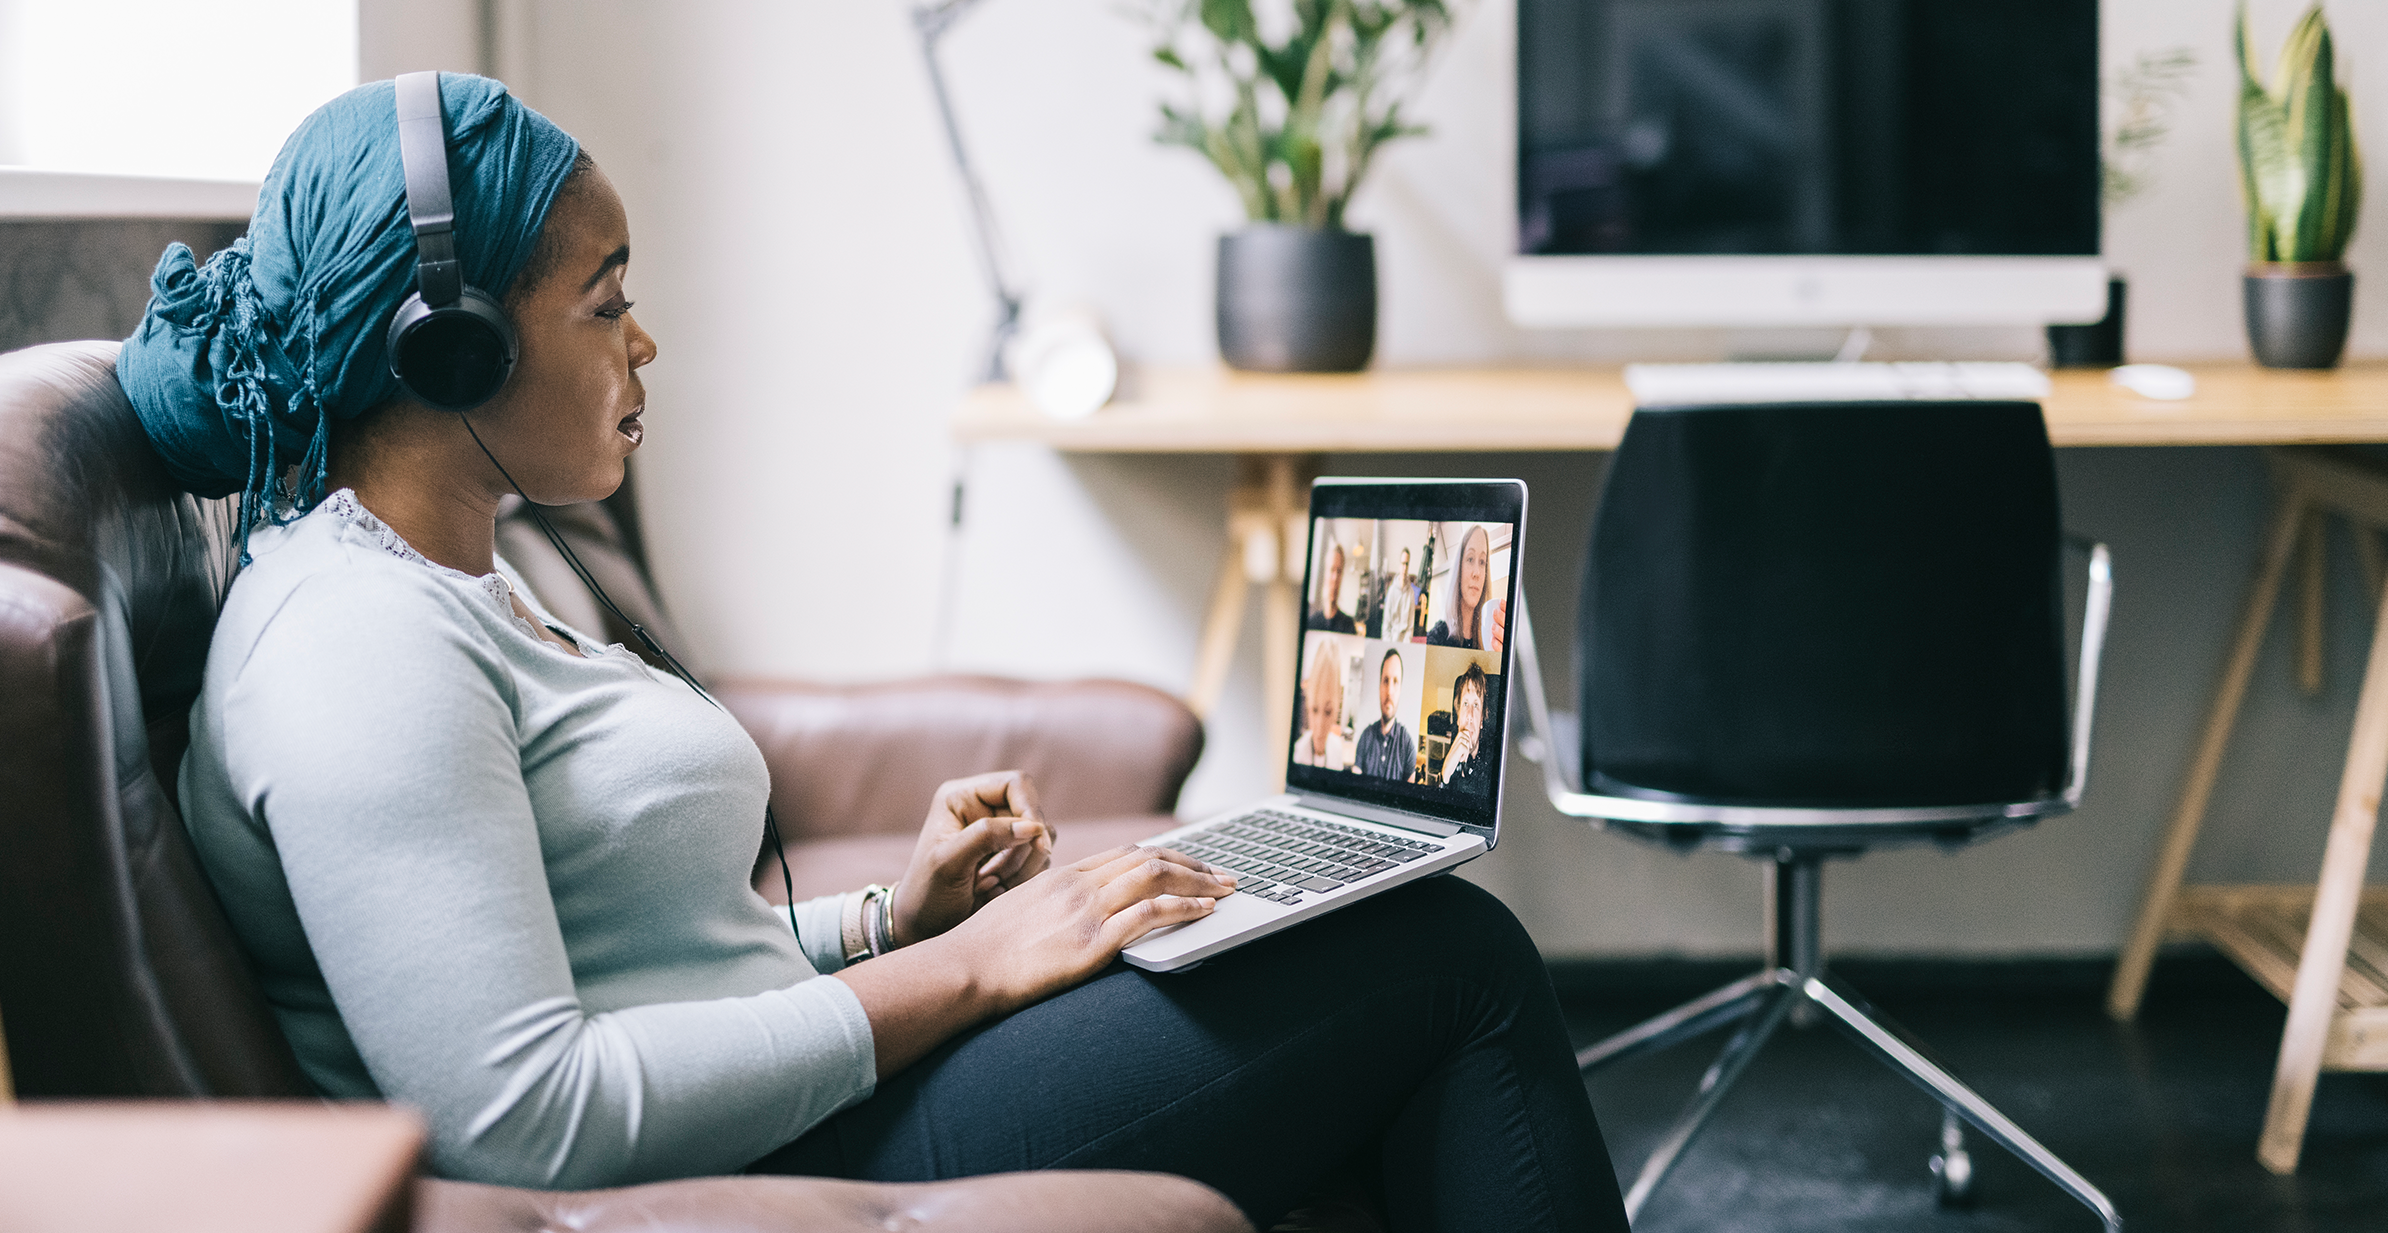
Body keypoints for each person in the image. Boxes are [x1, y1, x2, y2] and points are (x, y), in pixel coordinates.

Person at [130, 74, 1625, 1231]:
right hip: (758, 1173)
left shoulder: (459, 579)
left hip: (794, 1106)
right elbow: (529, 1117)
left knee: (1362, 935)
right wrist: (969, 971)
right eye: (606, 302)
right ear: (451, 349)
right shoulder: (353, 650)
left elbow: (643, 968)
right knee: (1452, 962)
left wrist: (887, 922)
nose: (643, 343)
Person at [1426, 524, 1506, 655]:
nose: (1477, 573)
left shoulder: (1490, 641)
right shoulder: (1438, 637)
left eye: (1482, 562)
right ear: (1459, 568)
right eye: (1470, 559)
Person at [1351, 649, 1417, 782]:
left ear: (1400, 689)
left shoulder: (1408, 745)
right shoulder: (1365, 737)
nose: (1389, 691)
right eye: (1386, 681)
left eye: (1395, 682)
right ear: (1379, 686)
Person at [1292, 642, 1352, 771]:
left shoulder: (1337, 749)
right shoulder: (1297, 753)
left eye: (1328, 712)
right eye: (1315, 710)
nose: (1319, 726)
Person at [1439, 664, 1498, 796]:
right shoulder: (1447, 763)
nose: (1470, 715)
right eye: (1465, 704)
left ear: (1481, 721)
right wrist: (1445, 776)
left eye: (1476, 705)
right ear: (1458, 717)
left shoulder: (1494, 768)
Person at [1306, 541, 1358, 633]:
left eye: (1339, 571)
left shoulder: (1348, 625)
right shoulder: (1311, 623)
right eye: (1331, 570)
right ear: (1325, 573)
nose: (1335, 578)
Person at [1380, 548, 1417, 641]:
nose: (1404, 568)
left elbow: (1410, 628)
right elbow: (1386, 625)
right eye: (1403, 563)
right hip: (1390, 640)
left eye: (1407, 564)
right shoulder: (1391, 591)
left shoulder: (1411, 593)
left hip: (1404, 642)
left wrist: (1405, 645)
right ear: (1399, 565)